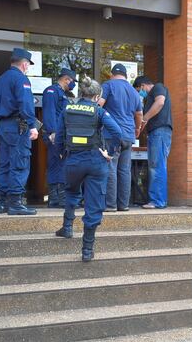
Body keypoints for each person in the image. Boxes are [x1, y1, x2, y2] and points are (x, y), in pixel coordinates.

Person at [55, 77, 122, 262]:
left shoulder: (67, 109)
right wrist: (110, 151)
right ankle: (87, 249)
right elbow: (117, 133)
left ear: (81, 93)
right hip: (95, 161)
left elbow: (59, 135)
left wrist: (61, 154)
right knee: (93, 204)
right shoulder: (99, 111)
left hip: (73, 160)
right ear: (97, 95)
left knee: (71, 192)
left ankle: (67, 227)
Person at [0, 48, 40, 216]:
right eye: (28, 65)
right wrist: (32, 125)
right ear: (25, 64)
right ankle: (16, 203)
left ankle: (2, 202)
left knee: (4, 164)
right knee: (20, 163)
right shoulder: (21, 79)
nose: (28, 68)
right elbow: (25, 104)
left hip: (3, 127)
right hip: (17, 126)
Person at [98, 63, 143, 212]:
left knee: (110, 167)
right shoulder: (134, 91)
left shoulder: (108, 85)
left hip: (111, 134)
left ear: (112, 74)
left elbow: (99, 105)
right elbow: (139, 114)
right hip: (128, 134)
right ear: (125, 75)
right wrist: (137, 129)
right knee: (124, 170)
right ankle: (123, 205)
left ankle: (110, 205)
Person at [133, 76, 172, 209]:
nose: (140, 93)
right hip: (156, 133)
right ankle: (159, 200)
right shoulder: (149, 99)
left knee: (157, 166)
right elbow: (146, 119)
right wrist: (138, 130)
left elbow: (160, 102)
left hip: (159, 132)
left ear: (143, 85)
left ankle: (157, 201)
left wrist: (143, 119)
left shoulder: (158, 87)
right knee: (156, 165)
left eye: (139, 90)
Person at [42, 67, 77, 208]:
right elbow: (49, 112)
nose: (73, 84)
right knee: (59, 165)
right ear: (66, 79)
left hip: (60, 134)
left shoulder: (62, 94)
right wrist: (53, 132)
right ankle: (59, 199)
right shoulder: (52, 91)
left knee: (57, 164)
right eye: (73, 81)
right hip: (55, 135)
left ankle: (55, 199)